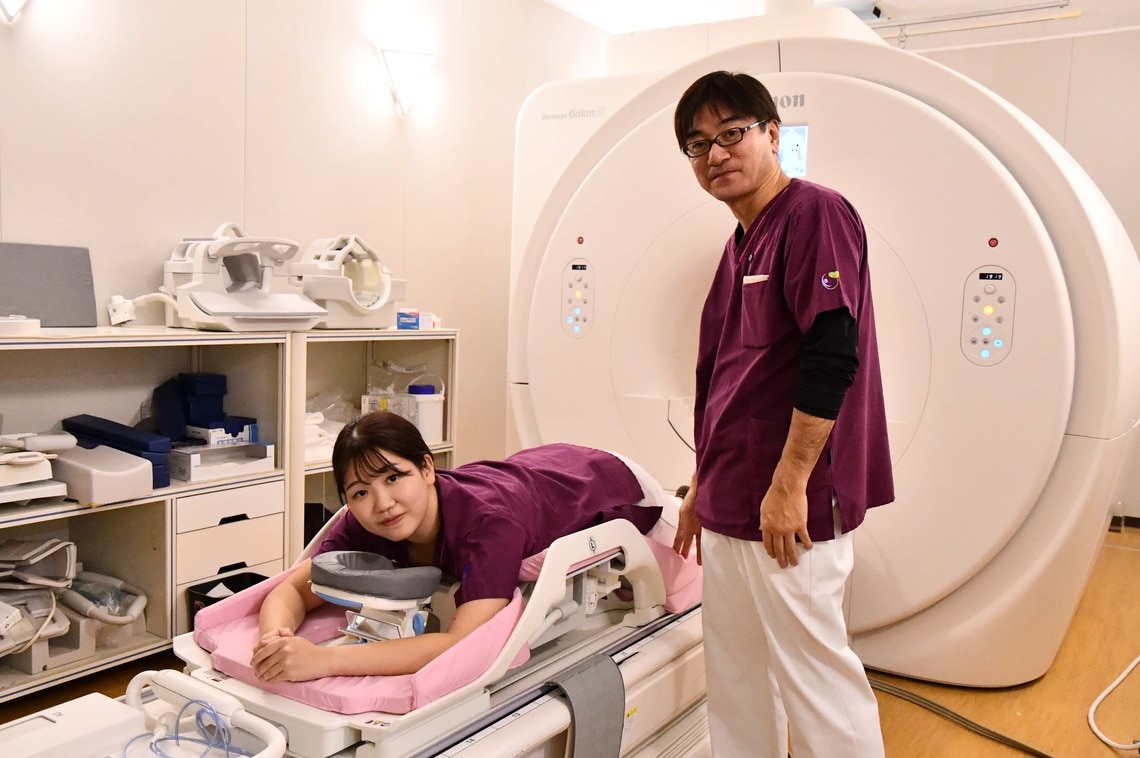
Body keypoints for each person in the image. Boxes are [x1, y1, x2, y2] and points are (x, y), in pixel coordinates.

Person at [670, 71, 894, 757]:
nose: (716, 154)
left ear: (773, 135)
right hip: (733, 497)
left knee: (815, 676)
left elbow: (833, 354)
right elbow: (730, 384)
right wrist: (701, 485)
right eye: (698, 144)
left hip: (789, 502)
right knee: (735, 675)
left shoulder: (814, 215)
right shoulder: (739, 245)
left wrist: (791, 482)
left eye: (732, 133)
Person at [251, 410, 661, 683]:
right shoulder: (367, 522)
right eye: (360, 492)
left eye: (394, 478)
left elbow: (461, 643)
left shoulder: (488, 525)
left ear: (428, 468)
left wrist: (324, 661)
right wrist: (276, 642)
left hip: (608, 480)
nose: (382, 503)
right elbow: (292, 589)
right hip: (531, 468)